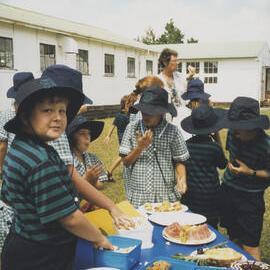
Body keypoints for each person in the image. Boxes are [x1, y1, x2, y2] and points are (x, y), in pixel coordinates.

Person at [1, 66, 113, 269]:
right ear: (26, 116)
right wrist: (98, 239)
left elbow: (9, 195)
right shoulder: (39, 161)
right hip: (40, 256)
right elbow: (70, 218)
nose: (58, 117)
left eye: (62, 110)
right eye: (47, 110)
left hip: (23, 240)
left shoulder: (24, 145)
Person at [2, 66, 132, 230]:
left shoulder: (42, 125)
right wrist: (108, 208)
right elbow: (71, 179)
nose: (78, 109)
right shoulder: (50, 133)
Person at [119, 86, 190, 208]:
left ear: (162, 112)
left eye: (151, 112)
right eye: (144, 111)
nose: (146, 115)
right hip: (139, 195)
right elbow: (126, 162)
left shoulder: (172, 131)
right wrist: (140, 147)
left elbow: (179, 160)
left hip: (164, 194)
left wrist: (182, 178)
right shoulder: (132, 128)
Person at [220, 96, 270, 260]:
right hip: (228, 192)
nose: (233, 132)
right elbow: (231, 154)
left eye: (239, 128)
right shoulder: (233, 135)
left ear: (253, 128)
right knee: (233, 240)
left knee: (250, 246)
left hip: (250, 200)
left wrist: (250, 172)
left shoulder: (265, 145)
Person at [181, 104, 227, 228]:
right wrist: (217, 139)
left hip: (190, 193)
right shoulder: (213, 147)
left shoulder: (186, 145)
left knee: (190, 225)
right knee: (210, 227)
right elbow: (223, 165)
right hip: (210, 194)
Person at [67, 115, 109, 211]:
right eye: (82, 133)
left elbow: (101, 184)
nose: (87, 137)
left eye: (89, 133)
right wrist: (86, 180)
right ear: (71, 136)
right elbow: (68, 192)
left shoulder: (92, 158)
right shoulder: (67, 163)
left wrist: (93, 181)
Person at [157, 48, 196, 140]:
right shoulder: (158, 80)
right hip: (168, 119)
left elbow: (186, 86)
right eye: (174, 61)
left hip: (184, 116)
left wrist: (191, 75)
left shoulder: (180, 76)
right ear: (165, 63)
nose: (177, 63)